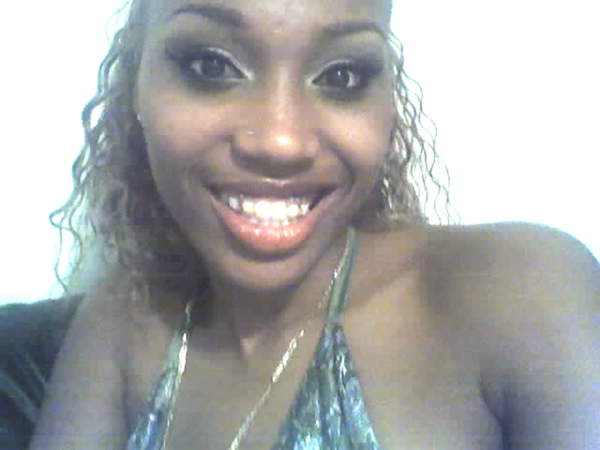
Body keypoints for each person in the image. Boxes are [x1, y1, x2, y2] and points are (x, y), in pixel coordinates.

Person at [2, 0, 596, 448]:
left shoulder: (524, 295)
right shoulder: (122, 321)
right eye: (211, 65)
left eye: (341, 76)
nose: (280, 141)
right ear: (136, 84)